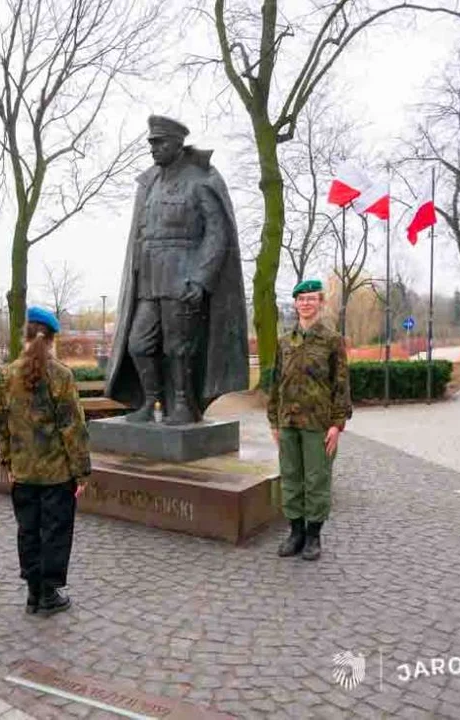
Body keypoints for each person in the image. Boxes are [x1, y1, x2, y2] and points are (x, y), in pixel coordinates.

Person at [105, 115, 249, 425]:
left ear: (177, 144)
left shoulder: (201, 179)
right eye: (151, 143)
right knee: (138, 344)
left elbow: (217, 233)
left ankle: (184, 405)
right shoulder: (150, 182)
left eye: (159, 143)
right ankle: (150, 401)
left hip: (182, 276)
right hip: (149, 279)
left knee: (178, 347)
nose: (153, 149)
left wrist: (201, 278)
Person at [0, 306, 91, 615]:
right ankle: (48, 595)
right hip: (55, 473)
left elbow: (3, 423)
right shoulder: (61, 375)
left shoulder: (9, 374)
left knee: (28, 530)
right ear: (52, 338)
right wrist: (81, 473)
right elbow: (72, 427)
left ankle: (33, 593)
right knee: (54, 531)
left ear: (24, 334)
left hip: (23, 471)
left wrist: (8, 462)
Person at [267, 279, 352, 561]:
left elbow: (341, 385)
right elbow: (276, 382)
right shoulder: (284, 341)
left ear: (321, 302)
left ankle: (314, 536)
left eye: (311, 298)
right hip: (288, 422)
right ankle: (296, 533)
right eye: (301, 298)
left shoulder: (331, 340)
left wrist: (336, 425)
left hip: (318, 423)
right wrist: (274, 422)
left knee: (316, 480)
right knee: (291, 479)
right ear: (295, 303)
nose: (305, 303)